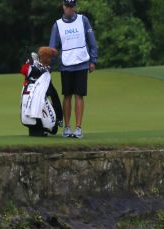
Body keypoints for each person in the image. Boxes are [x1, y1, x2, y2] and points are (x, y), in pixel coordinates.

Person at [49, 0, 98, 139]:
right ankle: (67, 127)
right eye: (67, 7)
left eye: (71, 7)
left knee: (79, 95)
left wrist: (93, 60)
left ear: (74, 7)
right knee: (67, 95)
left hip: (82, 62)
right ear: (63, 7)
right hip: (66, 64)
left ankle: (78, 128)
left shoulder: (83, 20)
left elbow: (91, 40)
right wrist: (50, 67)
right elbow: (53, 48)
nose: (69, 9)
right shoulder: (57, 25)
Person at [20, 46, 64, 137]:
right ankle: (46, 125)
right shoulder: (43, 71)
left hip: (27, 98)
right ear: (46, 58)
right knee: (53, 127)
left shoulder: (37, 67)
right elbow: (54, 96)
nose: (51, 60)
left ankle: (37, 128)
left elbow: (25, 70)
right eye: (50, 58)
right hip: (36, 104)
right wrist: (59, 117)